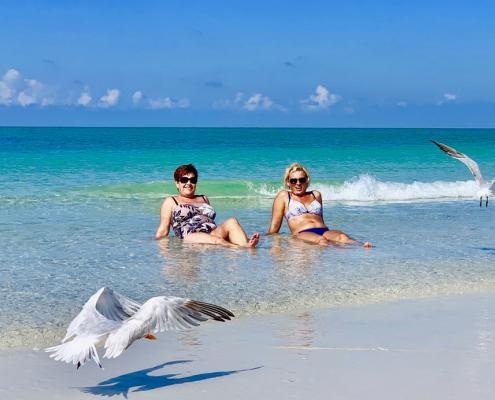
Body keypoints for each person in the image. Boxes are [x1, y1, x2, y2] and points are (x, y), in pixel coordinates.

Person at [268, 163, 372, 247]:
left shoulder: (316, 194)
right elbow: (274, 227)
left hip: (324, 230)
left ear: (307, 180)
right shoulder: (284, 196)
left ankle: (362, 247)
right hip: (302, 233)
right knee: (321, 240)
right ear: (288, 182)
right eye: (294, 180)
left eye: (302, 180)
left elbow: (320, 220)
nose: (298, 183)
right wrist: (270, 243)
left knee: (342, 237)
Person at [155, 164, 259, 248]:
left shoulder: (203, 198)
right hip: (191, 236)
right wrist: (159, 249)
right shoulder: (171, 201)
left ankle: (246, 244)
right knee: (217, 241)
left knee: (232, 221)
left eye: (193, 180)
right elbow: (163, 230)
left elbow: (208, 221)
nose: (189, 183)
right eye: (184, 180)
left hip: (213, 232)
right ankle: (240, 248)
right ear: (177, 183)